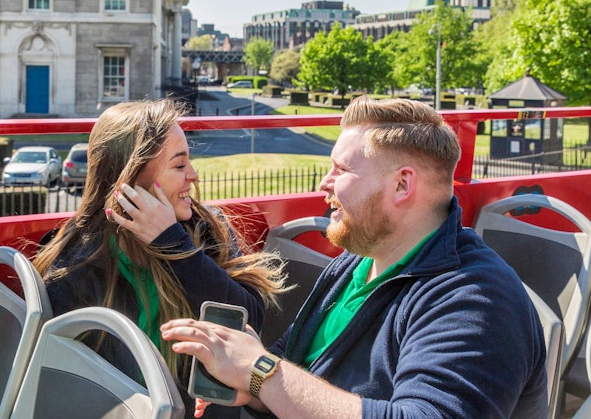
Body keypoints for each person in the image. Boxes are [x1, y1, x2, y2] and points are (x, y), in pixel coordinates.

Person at [162, 95, 548, 418]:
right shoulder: (358, 261)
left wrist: (262, 371)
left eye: (341, 170)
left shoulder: (474, 299)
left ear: (402, 184)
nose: (323, 184)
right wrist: (247, 377)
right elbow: (294, 362)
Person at [33, 98, 286, 417]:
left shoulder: (204, 228)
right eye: (179, 165)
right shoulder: (77, 267)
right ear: (134, 182)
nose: (193, 175)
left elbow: (248, 319)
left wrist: (174, 245)